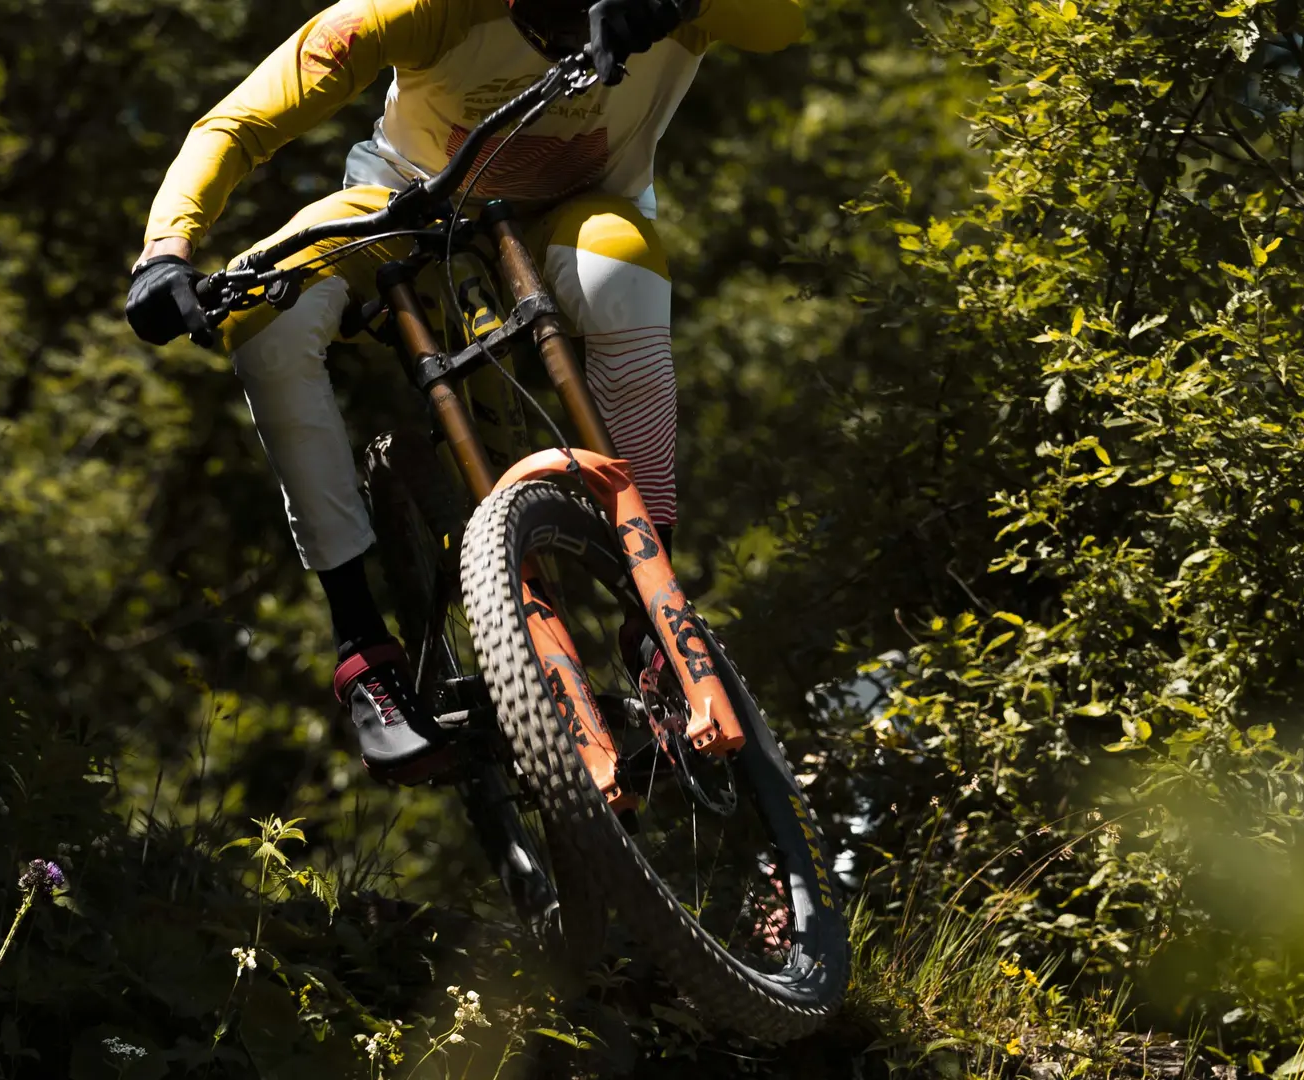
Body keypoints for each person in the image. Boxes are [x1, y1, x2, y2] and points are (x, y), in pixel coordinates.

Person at [125, 0, 804, 783]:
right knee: (264, 328)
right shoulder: (422, 8)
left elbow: (783, 24)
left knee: (619, 282)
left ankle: (654, 609)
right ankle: (361, 647)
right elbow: (240, 120)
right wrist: (166, 249)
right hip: (404, 203)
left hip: (579, 211)